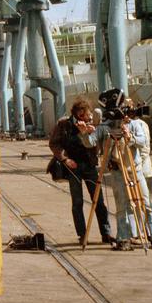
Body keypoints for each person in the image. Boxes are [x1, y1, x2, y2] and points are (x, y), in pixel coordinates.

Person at [83, 102, 152, 250]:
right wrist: (84, 132)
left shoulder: (133, 124)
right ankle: (123, 238)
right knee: (121, 206)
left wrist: (130, 137)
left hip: (135, 170)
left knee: (145, 204)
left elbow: (143, 142)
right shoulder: (104, 127)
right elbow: (89, 143)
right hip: (117, 171)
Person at [48, 99, 113, 244]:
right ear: (77, 114)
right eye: (83, 115)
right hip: (73, 167)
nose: (86, 118)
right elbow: (54, 143)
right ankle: (82, 234)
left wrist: (91, 134)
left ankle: (106, 233)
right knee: (77, 202)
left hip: (89, 165)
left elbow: (98, 142)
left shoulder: (92, 124)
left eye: (88, 115)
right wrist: (65, 159)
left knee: (99, 201)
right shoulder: (64, 124)